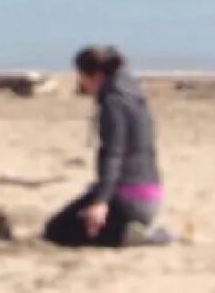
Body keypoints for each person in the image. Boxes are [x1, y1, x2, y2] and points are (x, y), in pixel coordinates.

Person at [43, 46, 171, 248]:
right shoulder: (134, 95)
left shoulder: (113, 103)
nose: (80, 82)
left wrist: (101, 201)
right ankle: (134, 228)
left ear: (96, 75)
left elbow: (114, 154)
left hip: (129, 198)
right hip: (149, 192)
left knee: (58, 231)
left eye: (81, 76)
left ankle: (133, 234)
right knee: (70, 219)